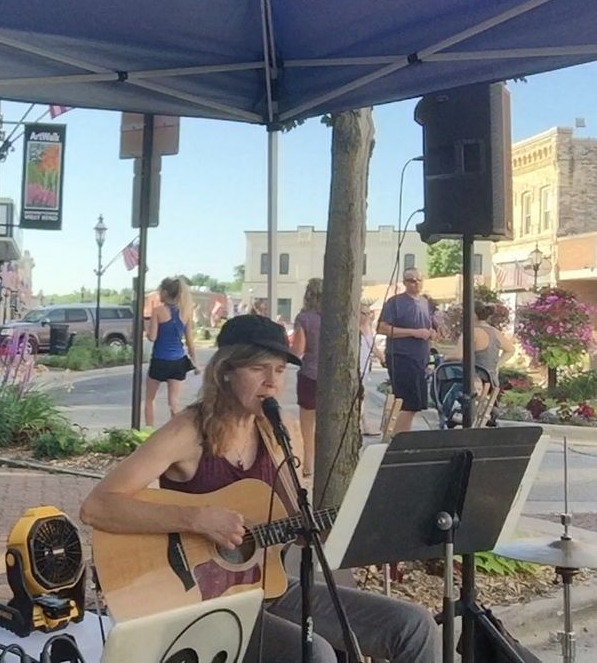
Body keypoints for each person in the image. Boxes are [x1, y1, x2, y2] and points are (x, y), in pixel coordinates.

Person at [80, 314, 440, 663]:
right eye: (258, 369)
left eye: (280, 370)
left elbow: (293, 523)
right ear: (225, 373)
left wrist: (319, 528)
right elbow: (97, 507)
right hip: (199, 600)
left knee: (414, 626)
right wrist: (197, 518)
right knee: (312, 653)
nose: (272, 382)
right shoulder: (187, 433)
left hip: (270, 586)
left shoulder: (278, 429)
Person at [377, 268, 435, 434]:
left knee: (416, 403)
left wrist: (431, 333)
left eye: (419, 279)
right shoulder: (395, 302)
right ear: (404, 283)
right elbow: (382, 328)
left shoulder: (424, 302)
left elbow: (427, 326)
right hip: (401, 356)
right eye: (411, 280)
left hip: (420, 359)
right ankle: (397, 438)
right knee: (407, 402)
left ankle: (399, 434)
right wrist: (413, 332)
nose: (416, 283)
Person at [145, 277, 199, 428]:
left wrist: (146, 329)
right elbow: (190, 341)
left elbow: (152, 337)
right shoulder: (185, 313)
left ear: (164, 292)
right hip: (178, 361)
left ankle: (149, 432)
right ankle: (174, 432)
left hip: (160, 360)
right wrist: (195, 363)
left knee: (150, 399)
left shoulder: (158, 311)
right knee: (174, 402)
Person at [291, 278, 322, 480]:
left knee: (307, 424)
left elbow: (298, 350)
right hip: (333, 377)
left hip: (310, 374)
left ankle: (309, 464)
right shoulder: (337, 316)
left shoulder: (304, 318)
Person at [470, 302, 515, 384]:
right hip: (492, 380)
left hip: (476, 381)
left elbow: (458, 356)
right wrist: (497, 365)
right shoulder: (495, 332)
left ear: (473, 315)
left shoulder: (473, 332)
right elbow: (510, 350)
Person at [358, 299, 379, 437]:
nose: (366, 316)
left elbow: (373, 347)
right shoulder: (355, 328)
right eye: (363, 313)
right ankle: (364, 425)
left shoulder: (368, 328)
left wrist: (383, 358)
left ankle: (364, 425)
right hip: (358, 366)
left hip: (365, 368)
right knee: (360, 397)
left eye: (368, 313)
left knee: (362, 397)